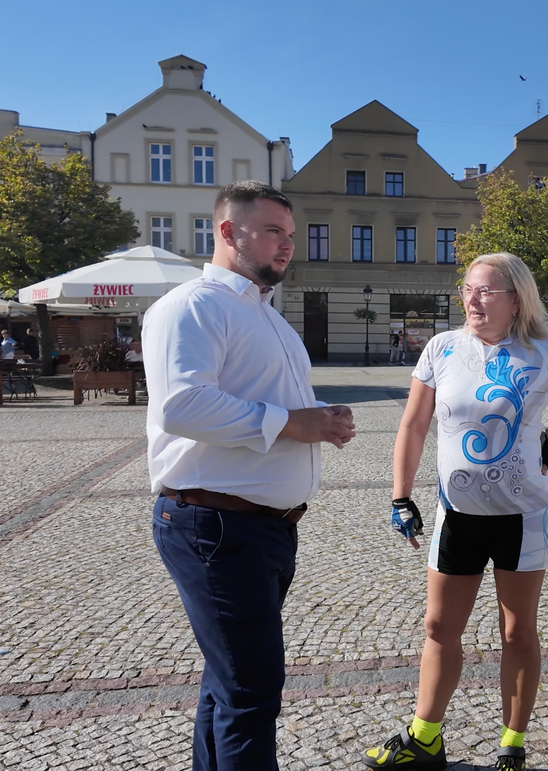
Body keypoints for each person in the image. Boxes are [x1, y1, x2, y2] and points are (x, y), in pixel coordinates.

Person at [361, 252, 548, 771]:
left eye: (485, 291)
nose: (471, 300)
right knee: (438, 627)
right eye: (468, 290)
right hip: (457, 515)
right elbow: (411, 425)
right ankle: (425, 738)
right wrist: (400, 495)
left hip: (523, 518)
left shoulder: (545, 352)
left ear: (516, 298)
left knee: (517, 632)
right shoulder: (442, 348)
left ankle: (511, 745)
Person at [143, 180, 356, 770]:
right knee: (252, 691)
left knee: (230, 681)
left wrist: (322, 423)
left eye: (290, 234)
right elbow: (181, 406)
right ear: (229, 232)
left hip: (262, 528)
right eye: (271, 232)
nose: (286, 245)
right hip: (215, 523)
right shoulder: (194, 306)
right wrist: (294, 424)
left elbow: (278, 408)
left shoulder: (269, 318)